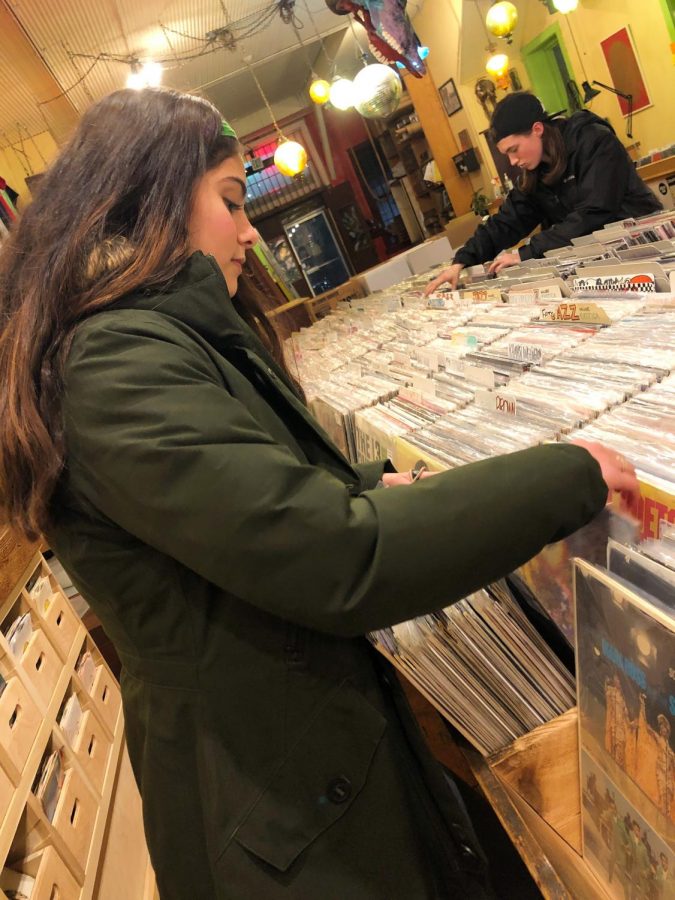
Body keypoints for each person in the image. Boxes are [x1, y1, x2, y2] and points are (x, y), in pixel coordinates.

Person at [0, 88, 640, 900]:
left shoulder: (140, 340)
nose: (247, 233)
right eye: (231, 202)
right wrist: (566, 471)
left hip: (291, 768)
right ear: (148, 198)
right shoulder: (112, 363)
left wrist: (373, 483)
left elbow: (251, 493)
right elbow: (335, 555)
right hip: (278, 815)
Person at [425, 91, 662, 294]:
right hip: (602, 264)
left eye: (514, 150)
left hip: (647, 251)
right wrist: (462, 260)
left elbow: (594, 212)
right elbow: (508, 220)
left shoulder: (594, 140)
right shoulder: (535, 170)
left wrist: (527, 253)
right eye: (506, 154)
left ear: (537, 129)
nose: (513, 160)